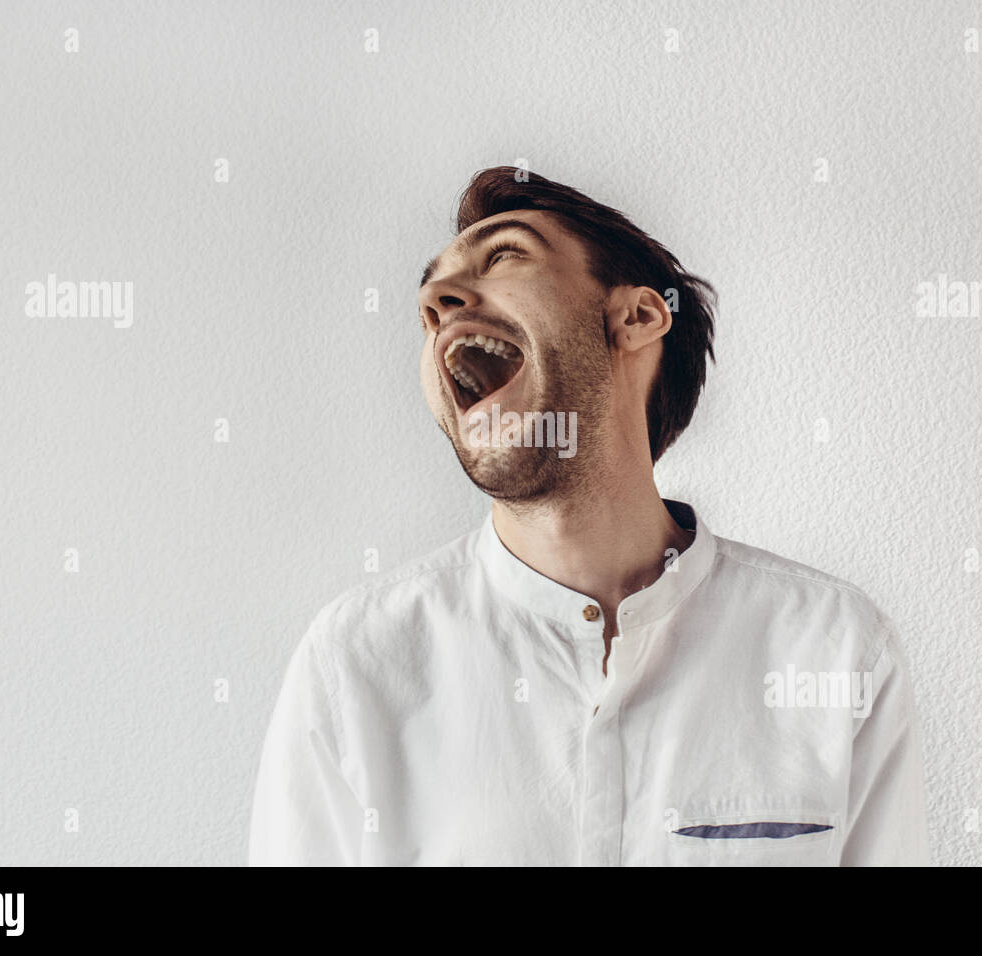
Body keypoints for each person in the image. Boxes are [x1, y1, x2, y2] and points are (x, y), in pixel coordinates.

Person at [249, 167, 930, 865]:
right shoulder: (357, 663)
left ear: (637, 317)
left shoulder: (839, 650)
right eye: (430, 296)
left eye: (506, 255)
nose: (435, 302)